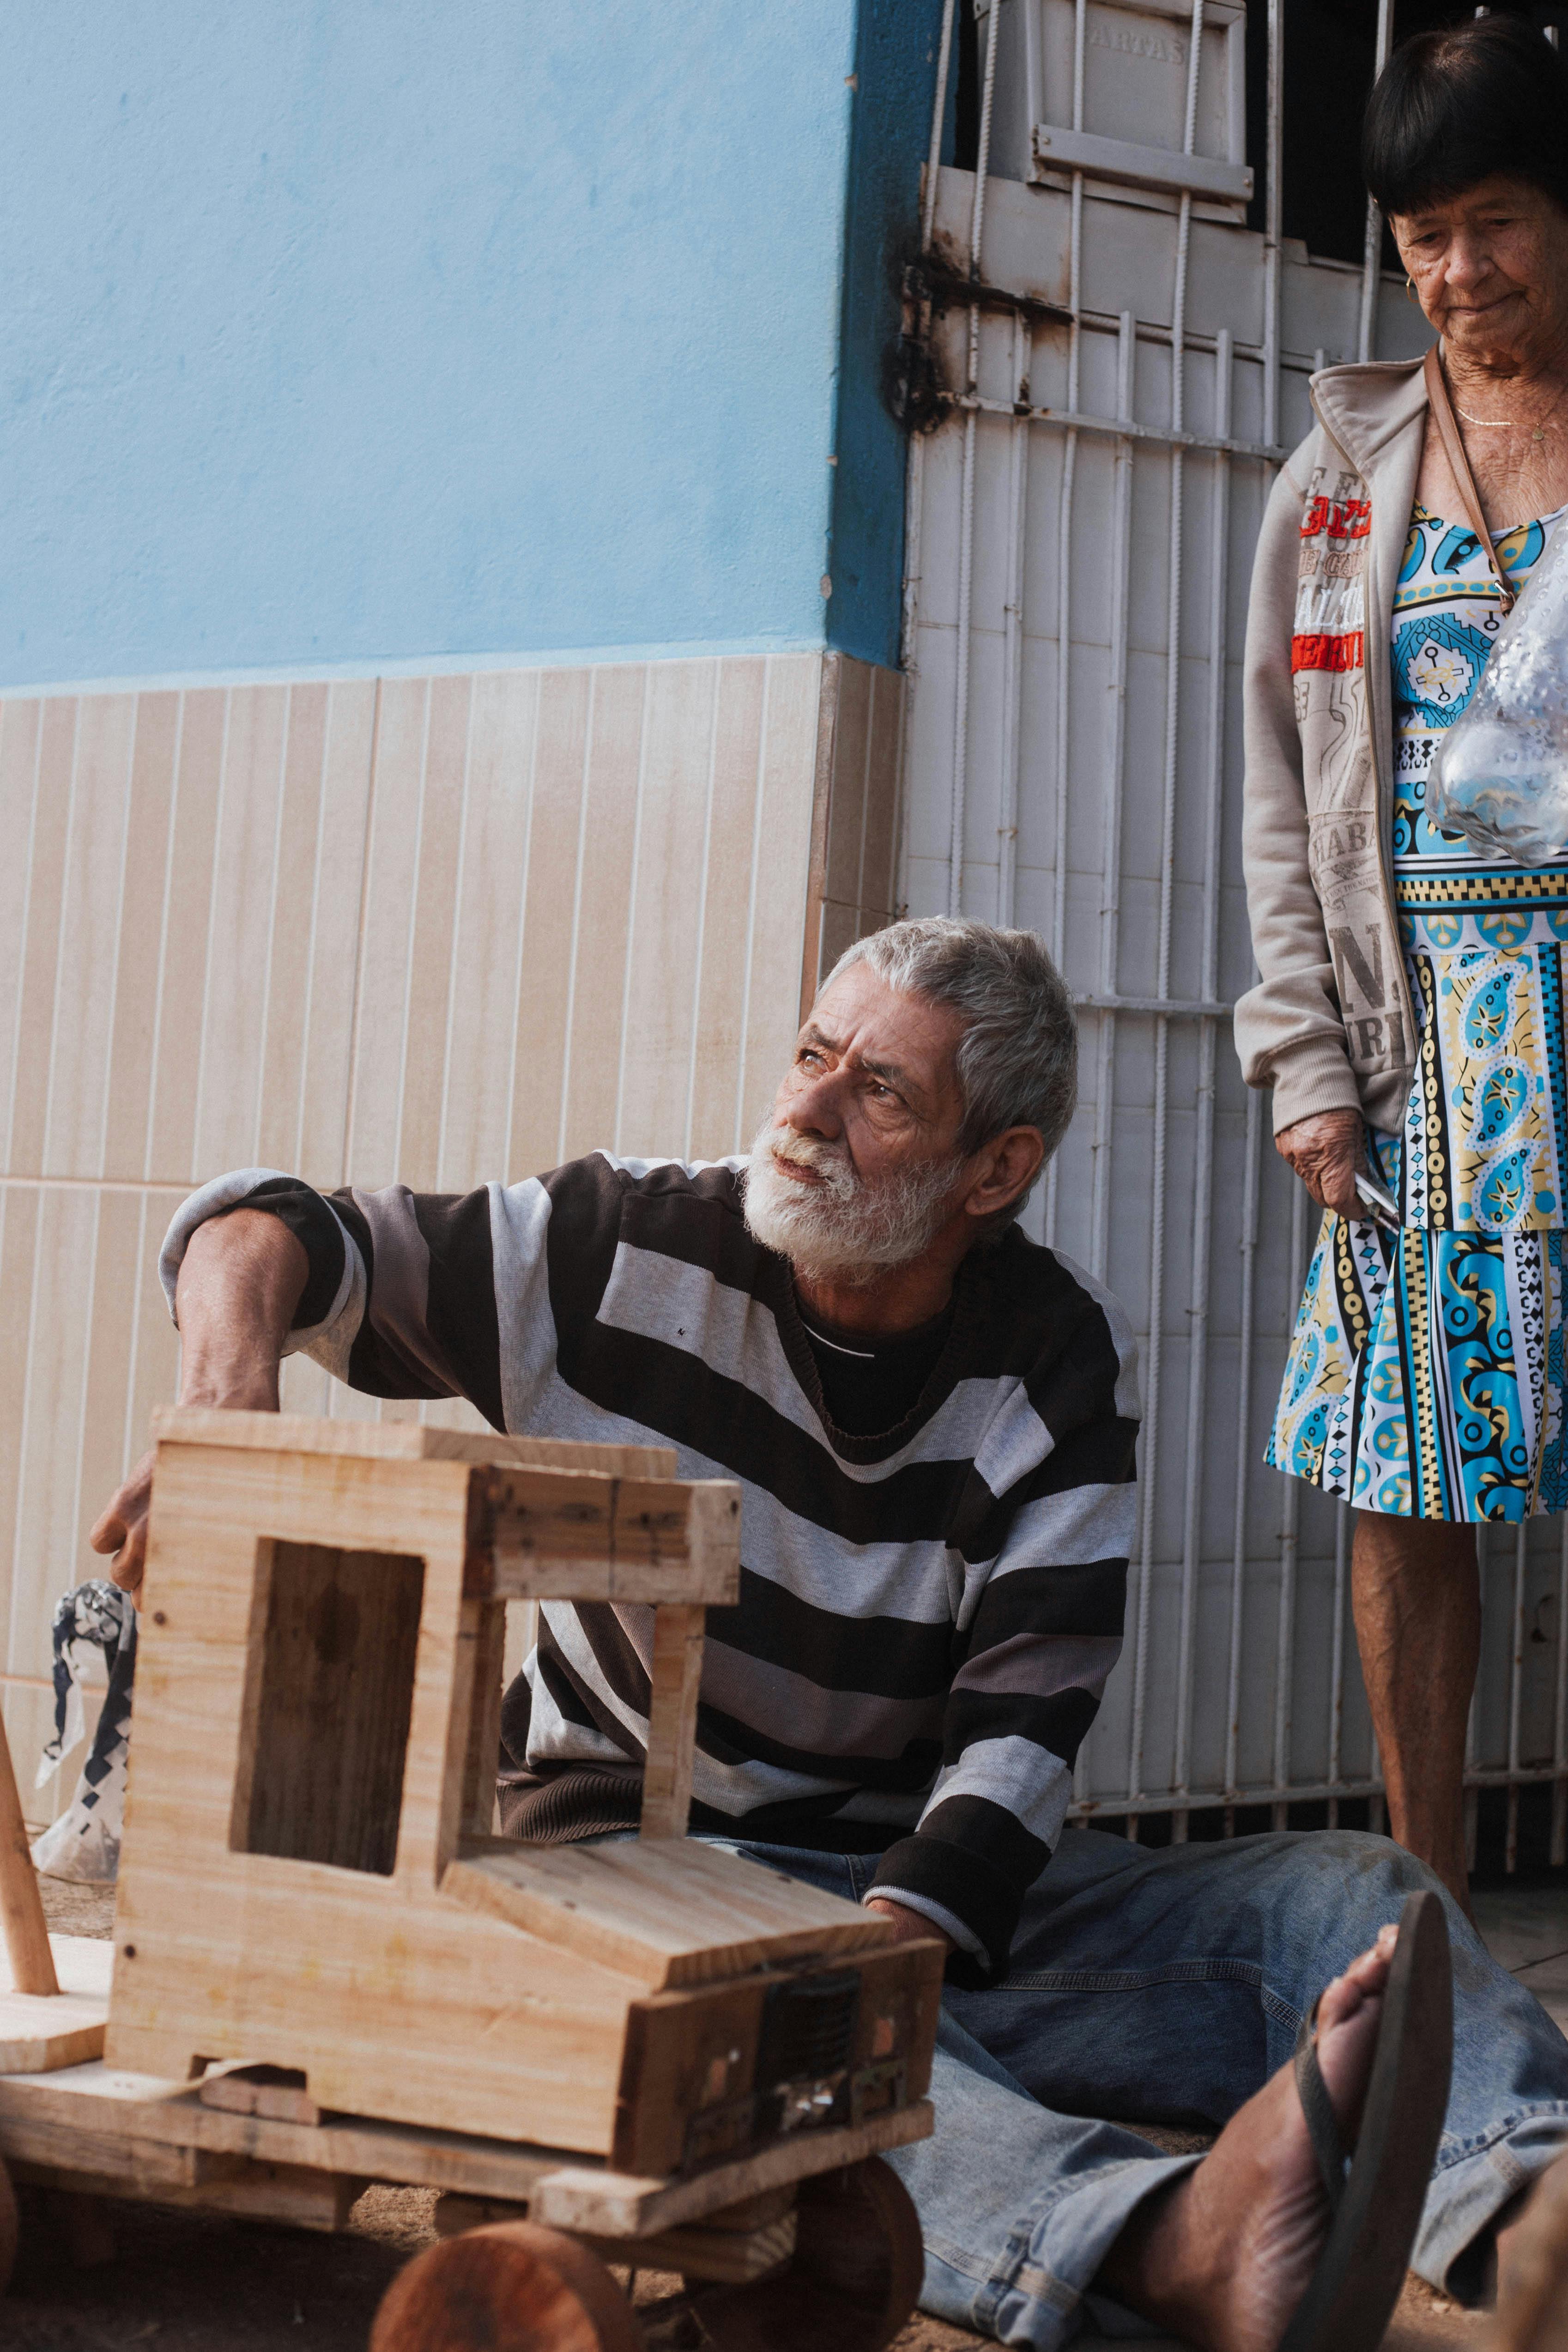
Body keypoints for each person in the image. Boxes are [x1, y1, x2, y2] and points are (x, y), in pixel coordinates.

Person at [94, 914, 1567, 2345]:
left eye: (877, 1090)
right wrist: (224, 1392)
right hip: (624, 1864)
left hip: (908, 1885)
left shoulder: (1051, 1357)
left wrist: (885, 1953)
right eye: (811, 1051)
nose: (804, 1107)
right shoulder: (620, 1246)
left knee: (1358, 1897)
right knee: (807, 2028)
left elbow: (1021, 1726)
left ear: (995, 1170)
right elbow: (264, 1224)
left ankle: (1530, 2209)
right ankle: (1161, 2242)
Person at [1239, 17, 1568, 1916]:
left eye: (1497, 220)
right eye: (1425, 232)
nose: (1457, 271)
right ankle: (1425, 1897)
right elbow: (1280, 796)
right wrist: (1306, 1059)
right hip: (1427, 1036)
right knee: (1405, 1464)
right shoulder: (1340, 487)